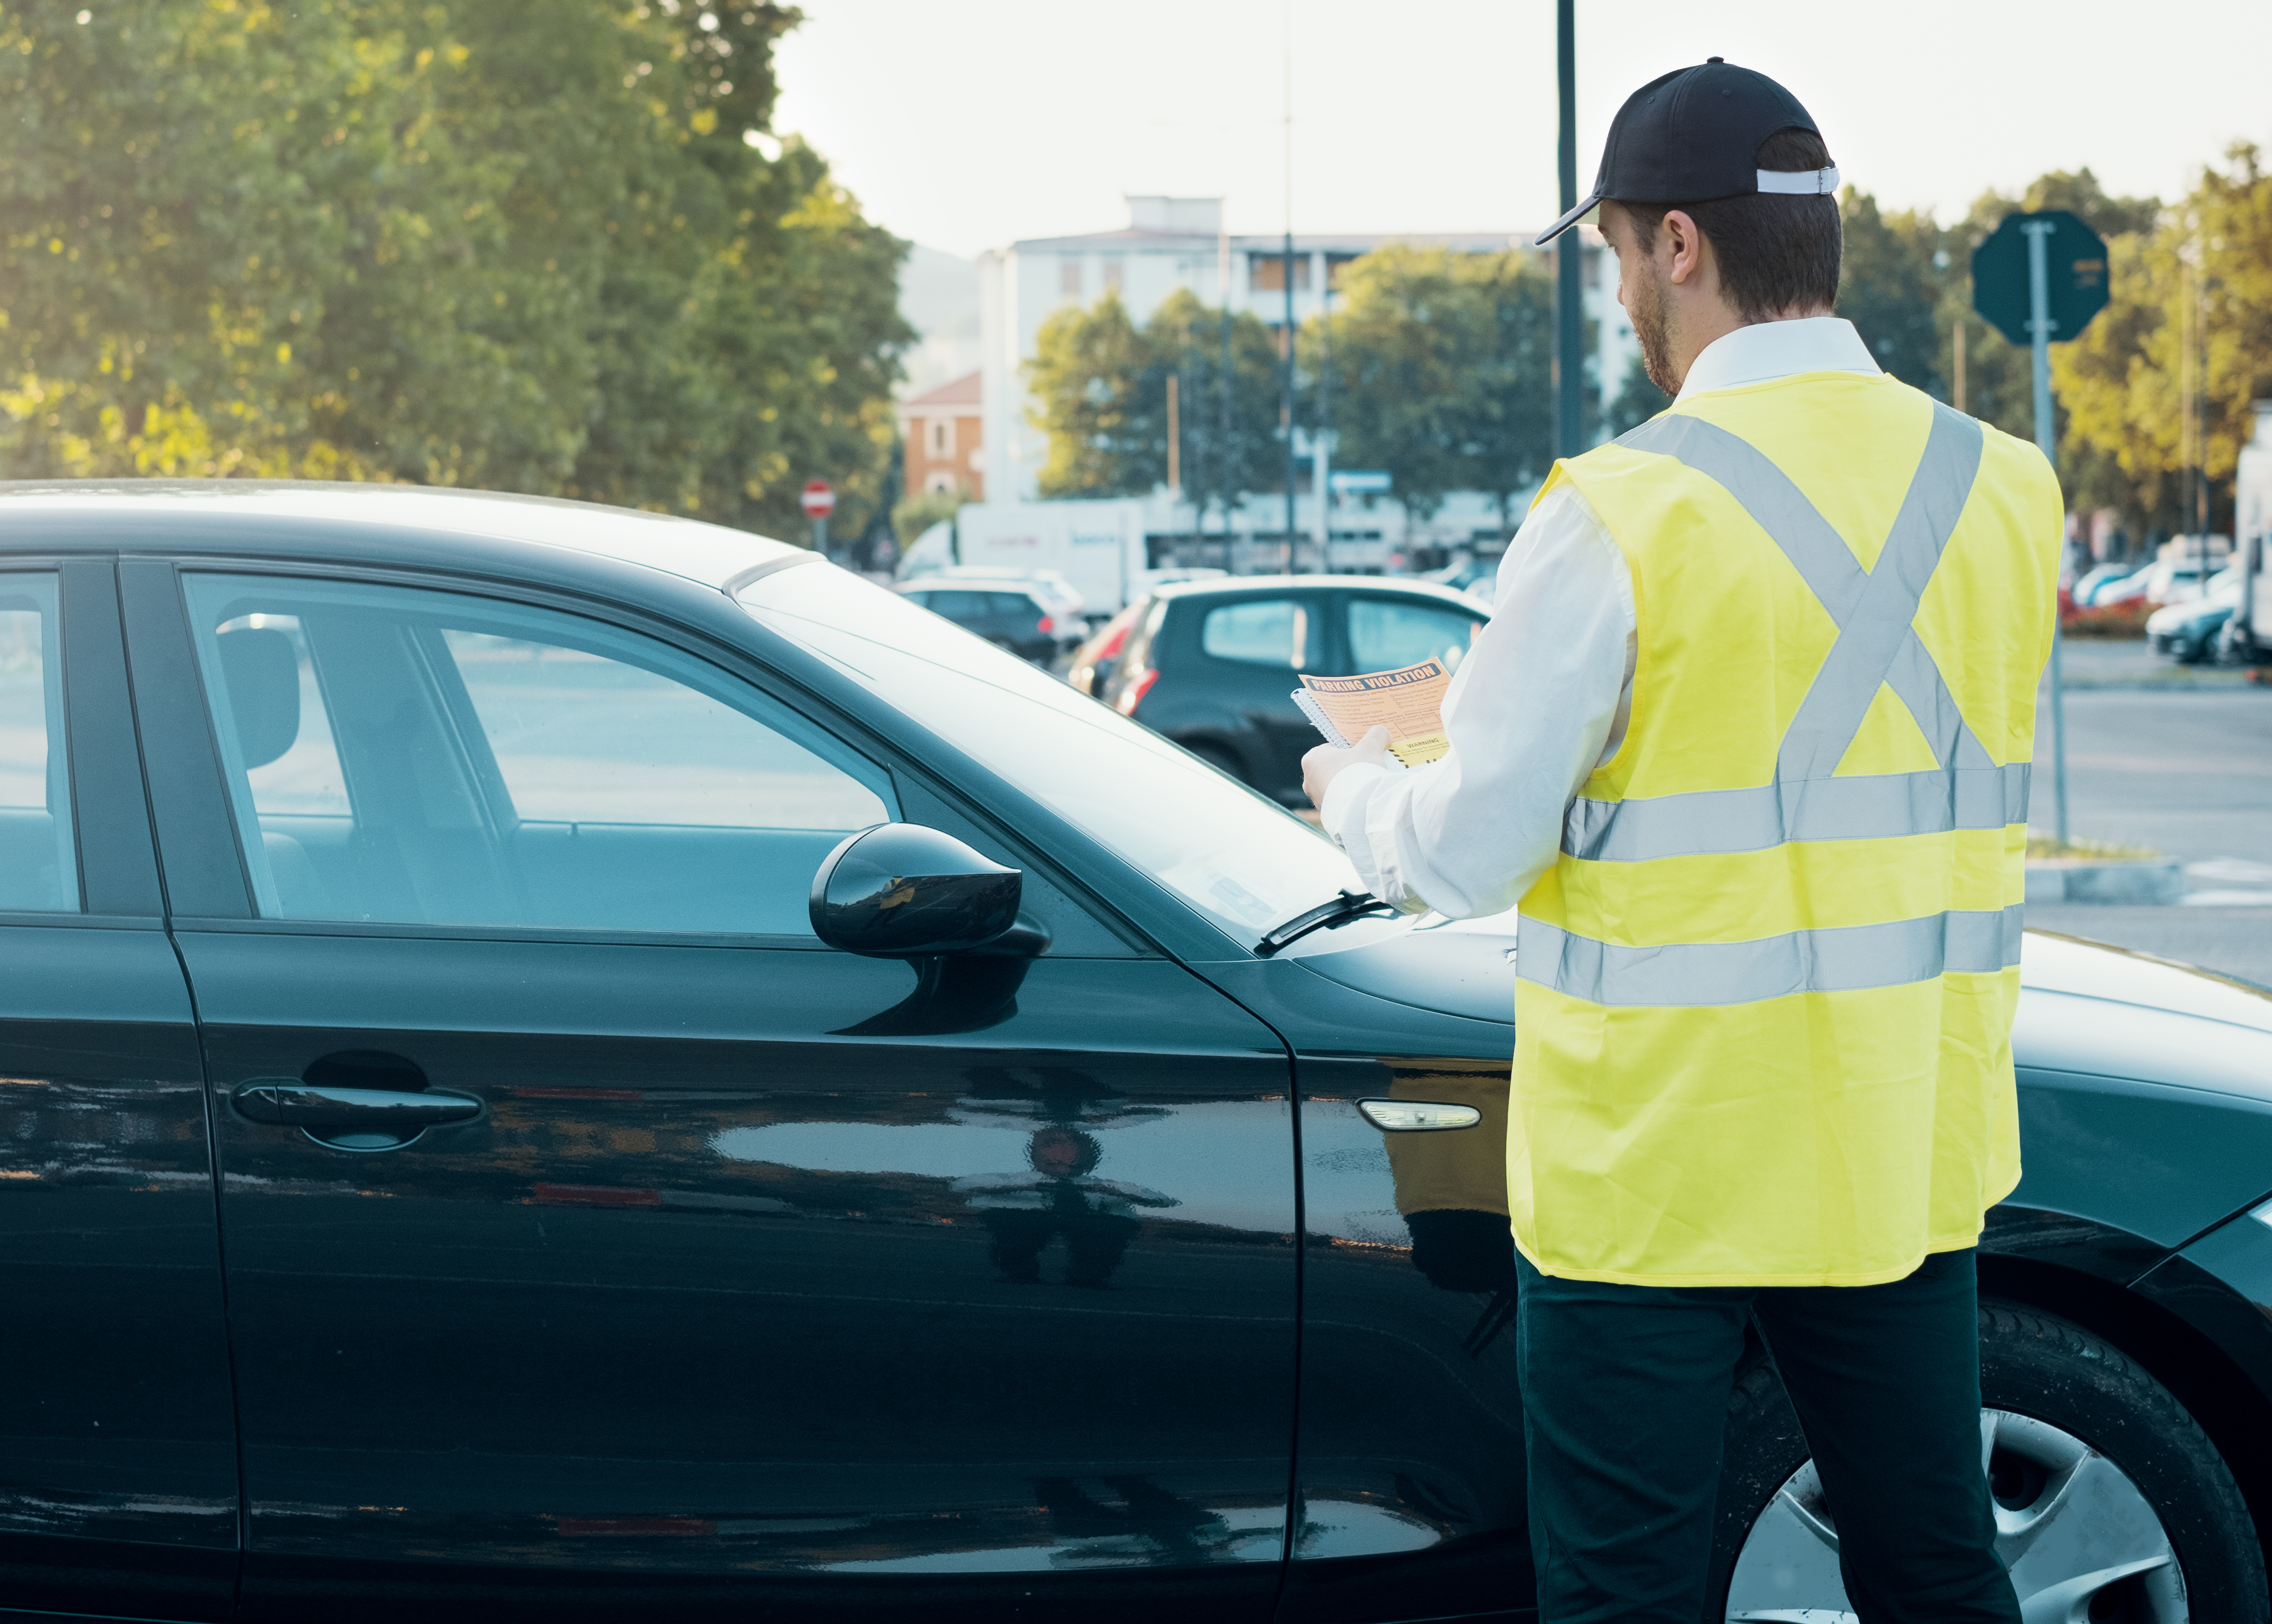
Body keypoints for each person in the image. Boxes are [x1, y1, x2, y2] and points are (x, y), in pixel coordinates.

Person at [1303, 60, 2058, 1624]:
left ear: (1676, 250)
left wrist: (1353, 782)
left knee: (1626, 1595)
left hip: (1662, 1167)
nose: (1619, 298)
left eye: (1613, 258)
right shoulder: (2006, 486)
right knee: (1936, 1572)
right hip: (1894, 1140)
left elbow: (1466, 850)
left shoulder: (1622, 508)